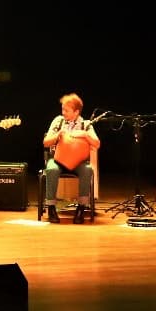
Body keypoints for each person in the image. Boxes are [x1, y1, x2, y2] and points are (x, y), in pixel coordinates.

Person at [40, 93, 99, 224]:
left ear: (76, 112)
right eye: (62, 109)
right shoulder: (58, 121)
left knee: (87, 170)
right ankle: (51, 208)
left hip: (78, 162)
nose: (63, 112)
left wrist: (85, 135)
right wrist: (57, 135)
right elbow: (46, 142)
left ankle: (81, 208)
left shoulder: (86, 124)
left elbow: (97, 143)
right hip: (59, 160)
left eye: (66, 110)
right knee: (52, 169)